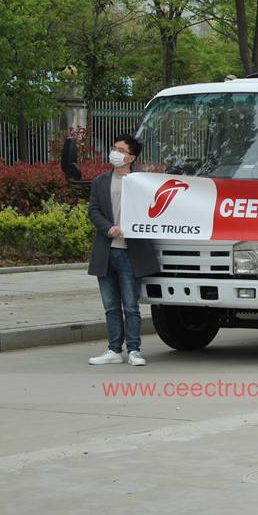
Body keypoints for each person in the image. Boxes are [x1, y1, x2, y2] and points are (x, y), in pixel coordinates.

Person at [87, 134, 160, 366]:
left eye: (120, 149)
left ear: (131, 157)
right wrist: (109, 229)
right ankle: (113, 349)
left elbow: (154, 211)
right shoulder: (101, 182)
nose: (114, 153)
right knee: (110, 306)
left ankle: (134, 350)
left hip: (131, 253)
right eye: (113, 148)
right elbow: (94, 210)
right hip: (106, 251)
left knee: (131, 305)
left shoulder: (142, 183)